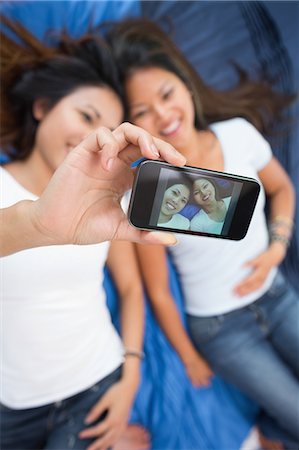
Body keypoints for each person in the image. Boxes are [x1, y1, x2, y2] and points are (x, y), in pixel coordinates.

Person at [107, 18, 299, 447]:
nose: (162, 114)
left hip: (277, 292)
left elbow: (283, 188)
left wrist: (277, 244)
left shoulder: (238, 135)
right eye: (142, 112)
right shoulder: (148, 191)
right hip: (222, 329)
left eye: (166, 94)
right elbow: (156, 290)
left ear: (186, 85)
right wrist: (190, 356)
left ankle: (271, 432)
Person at [0, 17, 185, 450]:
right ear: (42, 106)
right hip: (12, 405)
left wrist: (131, 374)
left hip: (97, 386)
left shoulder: (106, 204)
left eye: (107, 131)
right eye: (86, 116)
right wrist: (40, 225)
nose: (93, 137)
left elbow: (131, 288)